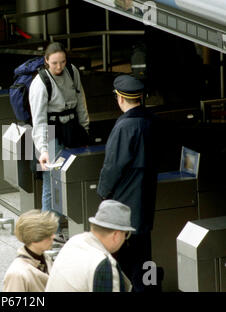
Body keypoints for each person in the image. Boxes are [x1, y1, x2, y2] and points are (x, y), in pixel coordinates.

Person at [97, 74, 158, 292]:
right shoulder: (150, 121)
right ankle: (148, 288)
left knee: (124, 257)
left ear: (120, 99)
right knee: (145, 254)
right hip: (146, 199)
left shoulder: (124, 127)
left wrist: (103, 192)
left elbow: (113, 165)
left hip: (124, 202)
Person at [29, 42, 89, 242]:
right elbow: (38, 121)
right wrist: (43, 150)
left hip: (72, 127)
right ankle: (50, 230)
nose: (59, 67)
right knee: (51, 182)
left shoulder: (72, 72)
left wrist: (85, 128)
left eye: (62, 62)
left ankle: (62, 224)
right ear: (46, 61)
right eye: (54, 63)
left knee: (70, 176)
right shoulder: (40, 83)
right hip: (51, 131)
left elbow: (81, 101)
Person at [45, 200, 134, 292]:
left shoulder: (73, 242)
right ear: (116, 235)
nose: (124, 239)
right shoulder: (103, 263)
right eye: (125, 235)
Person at [3, 210, 58, 292]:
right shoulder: (17, 274)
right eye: (48, 235)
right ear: (34, 239)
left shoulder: (44, 258)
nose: (53, 237)